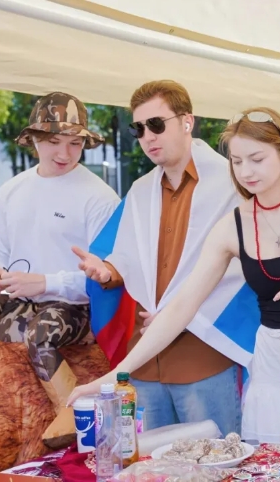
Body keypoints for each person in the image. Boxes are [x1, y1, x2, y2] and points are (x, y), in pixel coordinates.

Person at [69, 106, 280, 453]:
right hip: (276, 366)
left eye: (257, 159)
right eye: (237, 161)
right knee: (279, 466)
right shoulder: (232, 225)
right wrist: (116, 375)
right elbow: (182, 306)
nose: (246, 172)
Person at [72, 80, 259, 436]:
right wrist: (107, 271)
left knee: (214, 460)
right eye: (139, 129)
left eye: (156, 124)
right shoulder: (140, 190)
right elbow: (129, 257)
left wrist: (180, 313)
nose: (148, 136)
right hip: (145, 358)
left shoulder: (233, 183)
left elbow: (243, 271)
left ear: (187, 121)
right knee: (149, 462)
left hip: (204, 353)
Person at [0, 92, 120, 415]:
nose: (64, 153)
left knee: (39, 333)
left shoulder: (100, 198)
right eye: (54, 141)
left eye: (75, 143)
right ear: (34, 139)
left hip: (74, 309)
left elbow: (106, 276)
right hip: (14, 302)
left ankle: (71, 415)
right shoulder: (12, 189)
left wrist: (45, 283)